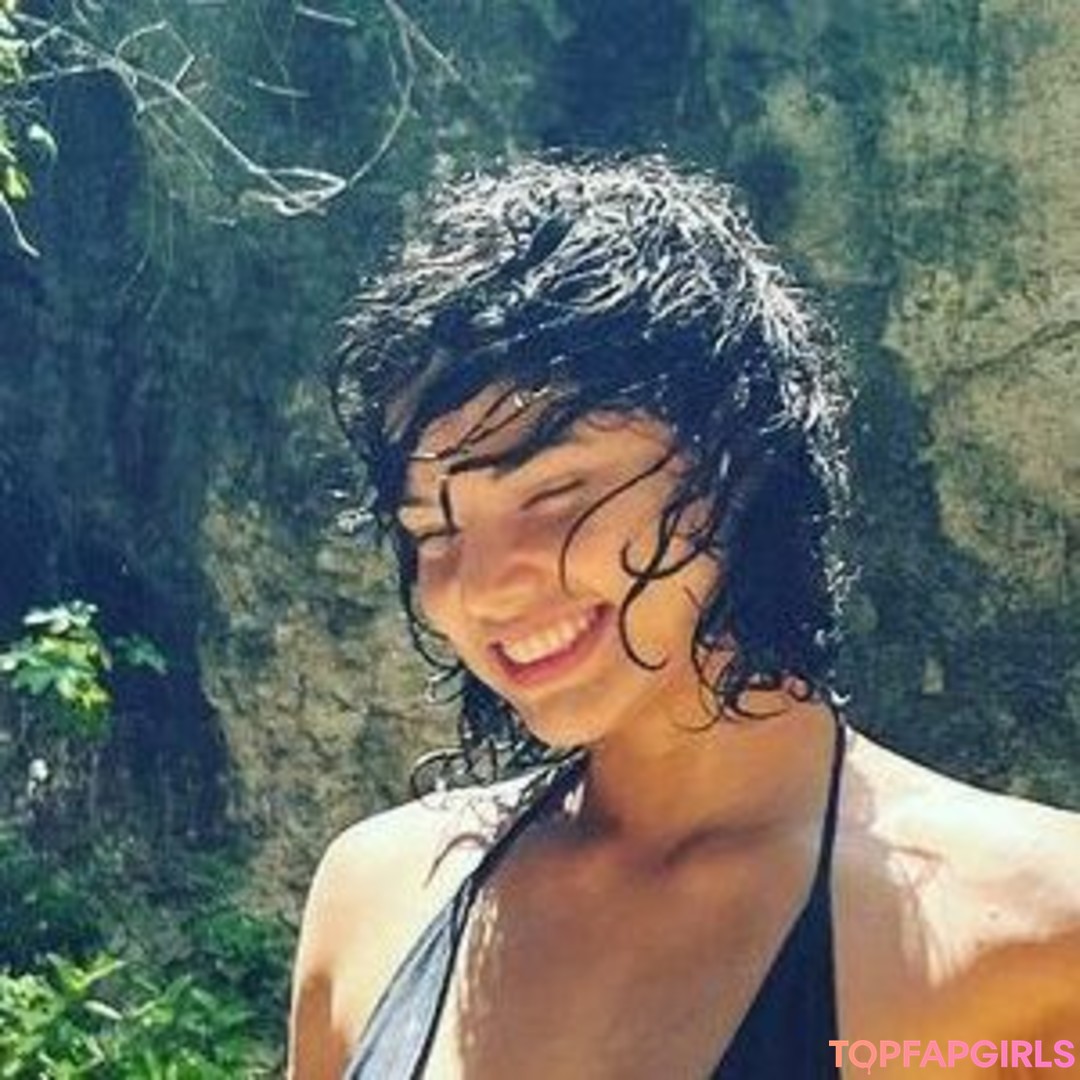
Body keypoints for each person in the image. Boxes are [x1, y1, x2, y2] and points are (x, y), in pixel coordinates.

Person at [289, 156, 1080, 1079]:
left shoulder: (1031, 939)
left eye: (552, 493)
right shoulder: (379, 899)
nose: (485, 587)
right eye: (434, 528)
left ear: (738, 461)